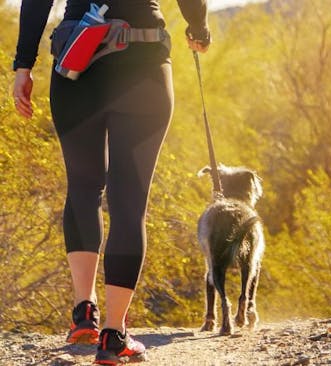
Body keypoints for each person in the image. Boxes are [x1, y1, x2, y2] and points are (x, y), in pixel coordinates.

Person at [12, 0, 210, 363]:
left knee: (83, 187)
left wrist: (23, 65)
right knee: (129, 201)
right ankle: (113, 334)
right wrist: (198, 27)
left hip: (76, 62)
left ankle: (83, 312)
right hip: (143, 62)